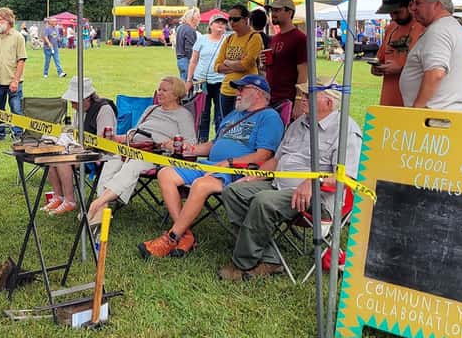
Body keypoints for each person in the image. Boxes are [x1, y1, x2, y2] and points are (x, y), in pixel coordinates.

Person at [216, 77, 362, 281]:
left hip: (317, 199)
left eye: (308, 95)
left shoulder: (346, 130)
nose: (302, 98)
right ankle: (269, 258)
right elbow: (276, 160)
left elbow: (345, 177)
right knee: (233, 192)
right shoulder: (299, 123)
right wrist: (252, 177)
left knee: (263, 201)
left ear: (329, 102)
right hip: (278, 186)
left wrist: (314, 182)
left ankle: (242, 264)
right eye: (302, 94)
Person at [138, 75, 284, 258]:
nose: (237, 93)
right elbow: (214, 144)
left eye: (242, 89)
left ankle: (172, 237)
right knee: (165, 174)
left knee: (201, 184)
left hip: (238, 171)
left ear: (257, 93)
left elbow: (264, 155)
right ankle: (186, 235)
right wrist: (192, 150)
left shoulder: (269, 117)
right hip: (211, 165)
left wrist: (229, 162)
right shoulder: (234, 115)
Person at [87, 76, 196, 228]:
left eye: (164, 90)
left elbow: (191, 145)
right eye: (159, 89)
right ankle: (102, 209)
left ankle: (97, 204)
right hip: (132, 147)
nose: (159, 93)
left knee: (132, 166)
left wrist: (172, 145)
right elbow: (134, 133)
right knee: (112, 160)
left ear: (176, 94)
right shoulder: (151, 109)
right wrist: (116, 138)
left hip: (156, 154)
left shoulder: (183, 115)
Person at [42, 77, 117, 216]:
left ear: (87, 98)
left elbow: (105, 142)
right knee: (50, 157)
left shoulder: (104, 110)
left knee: (63, 160)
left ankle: (70, 201)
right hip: (82, 150)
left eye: (74, 101)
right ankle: (58, 196)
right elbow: (75, 134)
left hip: (102, 155)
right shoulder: (80, 110)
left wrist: (80, 146)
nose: (72, 105)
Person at [400, 0, 462, 110]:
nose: (413, 8)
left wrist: (417, 109)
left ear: (437, 5)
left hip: (432, 118)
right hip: (443, 114)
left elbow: (436, 73)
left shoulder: (439, 30)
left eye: (418, 3)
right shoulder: (451, 27)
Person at [371, 0, 424, 106]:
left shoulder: (424, 28)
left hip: (413, 102)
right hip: (388, 100)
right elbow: (381, 58)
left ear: (411, 5)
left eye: (397, 12)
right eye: (390, 13)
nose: (393, 17)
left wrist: (401, 69)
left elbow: (432, 69)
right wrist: (376, 68)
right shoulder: (391, 28)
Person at [0, 7, 27, 140]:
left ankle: (18, 134)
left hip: (13, 81)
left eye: (0, 19)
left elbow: (21, 60)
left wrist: (16, 80)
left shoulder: (18, 37)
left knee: (16, 109)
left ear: (8, 20)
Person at [214, 4, 262, 117]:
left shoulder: (254, 37)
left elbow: (246, 65)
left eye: (235, 19)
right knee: (226, 125)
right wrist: (236, 63)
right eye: (229, 19)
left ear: (245, 20)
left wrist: (227, 62)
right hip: (226, 91)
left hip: (246, 91)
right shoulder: (229, 38)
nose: (231, 22)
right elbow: (217, 66)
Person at [185, 13, 227, 142]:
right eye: (217, 22)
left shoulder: (227, 40)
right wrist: (189, 80)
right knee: (203, 111)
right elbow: (193, 61)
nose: (221, 25)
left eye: (223, 23)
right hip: (201, 81)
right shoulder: (202, 39)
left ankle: (219, 139)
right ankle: (202, 139)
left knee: (220, 111)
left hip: (220, 81)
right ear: (210, 25)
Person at [265, 0, 308, 110]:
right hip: (270, 97)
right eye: (272, 10)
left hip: (287, 99)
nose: (273, 14)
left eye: (277, 10)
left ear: (289, 12)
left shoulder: (300, 38)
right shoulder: (275, 38)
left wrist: (298, 100)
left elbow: (303, 72)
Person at [174, 7, 200, 80]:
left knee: (183, 83)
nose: (199, 19)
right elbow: (189, 49)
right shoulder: (190, 30)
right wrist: (195, 62)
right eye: (198, 17)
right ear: (192, 18)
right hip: (187, 60)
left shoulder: (180, 27)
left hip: (180, 59)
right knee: (188, 84)